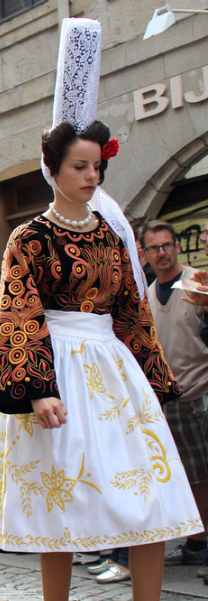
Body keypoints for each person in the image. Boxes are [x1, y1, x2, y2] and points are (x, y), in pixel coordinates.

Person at [0, 18, 202, 601]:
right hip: (60, 379)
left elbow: (132, 310)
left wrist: (156, 381)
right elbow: (17, 314)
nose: (89, 176)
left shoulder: (111, 233)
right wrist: (37, 388)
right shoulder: (30, 239)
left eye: (96, 167)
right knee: (60, 513)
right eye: (78, 166)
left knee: (152, 505)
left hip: (114, 374)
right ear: (51, 169)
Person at [138, 219, 208, 579]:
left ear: (177, 246)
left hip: (204, 391)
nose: (162, 253)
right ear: (145, 254)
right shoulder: (147, 296)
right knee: (192, 477)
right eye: (154, 248)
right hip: (174, 398)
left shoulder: (198, 283)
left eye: (167, 245)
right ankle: (198, 542)